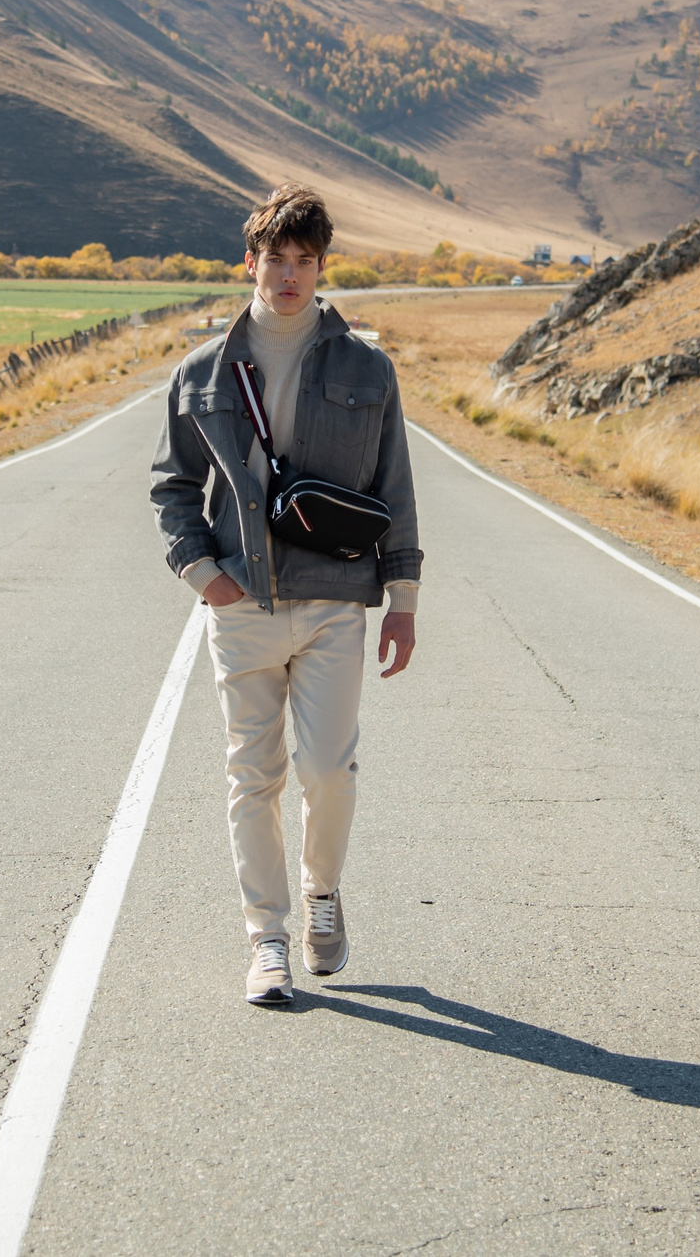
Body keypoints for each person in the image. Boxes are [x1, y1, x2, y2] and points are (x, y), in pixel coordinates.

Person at [150, 183, 423, 1005]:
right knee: (252, 775)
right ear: (252, 262)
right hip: (241, 609)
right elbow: (171, 488)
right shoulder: (201, 372)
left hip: (338, 599)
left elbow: (396, 485)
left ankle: (321, 891)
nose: (291, 274)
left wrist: (402, 599)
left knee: (329, 770)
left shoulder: (367, 368)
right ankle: (266, 938)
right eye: (278, 259)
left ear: (322, 266)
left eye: (306, 261)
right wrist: (207, 576)